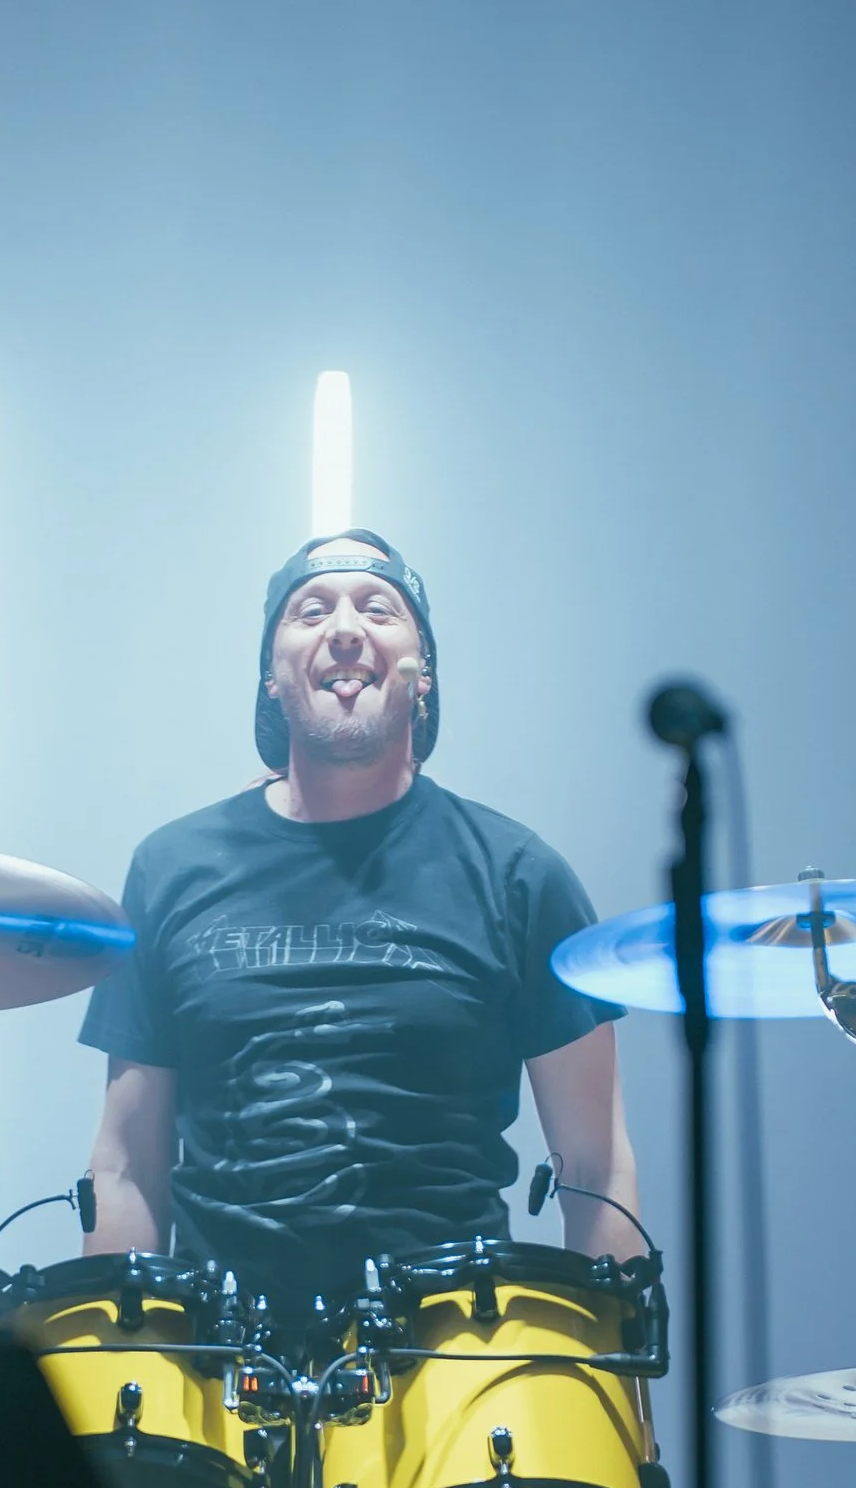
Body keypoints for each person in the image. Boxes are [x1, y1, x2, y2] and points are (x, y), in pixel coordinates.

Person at [79, 528, 643, 1336]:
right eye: (311, 612)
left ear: (424, 672)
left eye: (379, 609)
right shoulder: (170, 868)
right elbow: (127, 1167)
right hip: (221, 1363)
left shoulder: (520, 875)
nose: (345, 629)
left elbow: (596, 1166)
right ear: (272, 676)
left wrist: (610, 1378)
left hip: (456, 1361)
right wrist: (117, 1369)